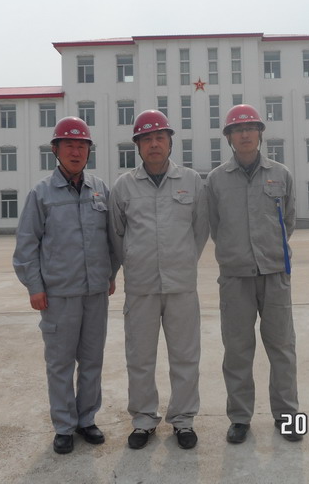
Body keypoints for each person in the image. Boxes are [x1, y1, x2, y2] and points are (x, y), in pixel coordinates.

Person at [13, 116, 118, 455]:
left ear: (89, 151)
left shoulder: (100, 189)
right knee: (60, 364)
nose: (76, 151)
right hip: (58, 296)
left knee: (92, 360)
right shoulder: (41, 194)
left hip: (95, 294)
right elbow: (26, 245)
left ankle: (86, 420)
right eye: (69, 145)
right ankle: (63, 426)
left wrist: (110, 275)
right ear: (55, 150)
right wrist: (34, 287)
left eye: (82, 146)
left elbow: (113, 239)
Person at [108, 109, 209, 450]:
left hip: (181, 286)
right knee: (140, 357)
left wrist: (183, 260)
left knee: (185, 356)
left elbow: (200, 229)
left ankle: (183, 420)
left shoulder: (191, 181)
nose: (154, 144)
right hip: (141, 287)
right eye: (147, 139)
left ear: (170, 143)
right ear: (137, 145)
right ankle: (143, 419)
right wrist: (134, 262)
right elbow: (116, 235)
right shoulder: (123, 186)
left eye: (160, 138)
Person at [206, 104, 303, 444]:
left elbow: (288, 220)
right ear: (229, 137)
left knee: (282, 348)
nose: (244, 134)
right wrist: (236, 253)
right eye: (237, 129)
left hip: (275, 274)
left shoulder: (281, 174)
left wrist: (269, 249)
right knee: (237, 350)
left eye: (250, 128)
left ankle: (287, 415)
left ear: (260, 133)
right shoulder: (216, 180)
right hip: (235, 278)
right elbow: (215, 226)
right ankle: (239, 418)